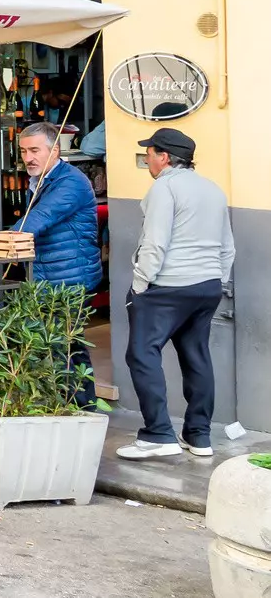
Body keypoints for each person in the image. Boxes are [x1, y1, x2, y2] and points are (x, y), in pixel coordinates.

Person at [118, 128, 235, 461]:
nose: (148, 159)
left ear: (164, 157)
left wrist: (140, 285)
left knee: (142, 354)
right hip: (207, 286)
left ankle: (158, 435)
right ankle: (198, 436)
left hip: (167, 287)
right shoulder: (213, 189)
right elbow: (228, 246)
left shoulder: (164, 188)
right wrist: (217, 280)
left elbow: (155, 242)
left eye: (150, 153)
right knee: (196, 356)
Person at [9, 120, 103, 404]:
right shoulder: (43, 179)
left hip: (70, 278)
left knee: (64, 348)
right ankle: (77, 407)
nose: (28, 158)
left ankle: (79, 408)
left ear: (55, 150)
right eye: (24, 151)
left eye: (35, 150)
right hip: (52, 275)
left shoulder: (70, 182)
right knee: (66, 346)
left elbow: (38, 220)